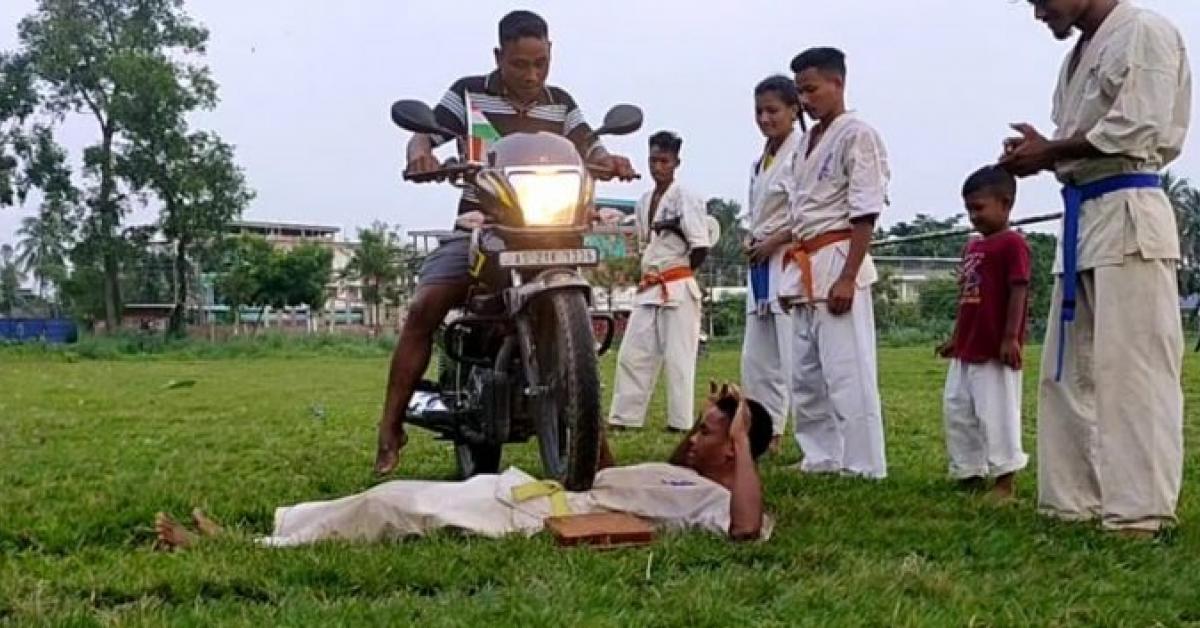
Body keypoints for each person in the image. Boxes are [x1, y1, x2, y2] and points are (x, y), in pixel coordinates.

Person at [375, 10, 635, 474]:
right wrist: (420, 156)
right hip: (482, 226)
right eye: (520, 64)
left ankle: (593, 445)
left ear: (551, 54)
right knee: (426, 306)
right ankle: (390, 427)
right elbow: (426, 133)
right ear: (499, 56)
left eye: (541, 62)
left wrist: (608, 157)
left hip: (552, 229)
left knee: (579, 305)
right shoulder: (468, 94)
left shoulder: (562, 104)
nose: (532, 74)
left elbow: (589, 145)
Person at [999, 0, 1190, 536]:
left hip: (1130, 209)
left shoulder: (1144, 31)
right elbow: (1081, 140)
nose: (1039, 13)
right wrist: (1044, 151)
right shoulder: (1079, 53)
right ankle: (1072, 500)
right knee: (1066, 370)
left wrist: (1049, 151)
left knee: (1134, 371)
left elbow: (1138, 126)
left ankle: (1140, 510)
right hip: (1083, 214)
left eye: (1042, 0)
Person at [154, 384, 775, 549]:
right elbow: (603, 469)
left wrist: (743, 439)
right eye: (697, 427)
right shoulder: (682, 477)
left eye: (708, 432)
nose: (692, 440)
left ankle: (250, 547)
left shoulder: (718, 503)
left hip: (540, 516)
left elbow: (746, 533)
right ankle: (279, 529)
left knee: (395, 507)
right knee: (394, 495)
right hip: (525, 491)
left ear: (737, 448)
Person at [762, 47, 889, 479]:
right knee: (806, 373)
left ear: (838, 83)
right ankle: (821, 455)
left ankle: (864, 463)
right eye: (800, 92)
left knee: (848, 370)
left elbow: (865, 209)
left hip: (837, 256)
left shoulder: (857, 133)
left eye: (812, 89)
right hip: (804, 261)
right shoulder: (808, 142)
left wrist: (849, 276)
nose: (806, 99)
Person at [936, 166, 1031, 500]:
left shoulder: (1013, 244)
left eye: (979, 208)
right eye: (968, 210)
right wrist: (955, 338)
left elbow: (1018, 290)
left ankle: (1004, 479)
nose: (973, 216)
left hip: (994, 349)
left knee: (997, 413)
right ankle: (968, 470)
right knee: (958, 408)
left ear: (1005, 204)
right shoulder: (973, 247)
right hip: (968, 346)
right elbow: (966, 299)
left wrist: (1010, 338)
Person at [607, 131, 711, 432]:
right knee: (633, 352)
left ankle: (679, 422)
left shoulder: (685, 196)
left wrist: (681, 274)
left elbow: (701, 246)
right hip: (650, 285)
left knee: (679, 357)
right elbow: (644, 243)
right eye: (653, 160)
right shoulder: (643, 201)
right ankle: (624, 417)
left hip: (677, 282)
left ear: (676, 162)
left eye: (664, 161)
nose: (657, 167)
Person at [741, 75, 804, 453]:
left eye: (773, 110)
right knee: (757, 358)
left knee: (793, 352)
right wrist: (752, 238)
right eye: (759, 111)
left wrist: (773, 241)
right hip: (761, 265)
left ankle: (815, 441)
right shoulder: (760, 160)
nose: (765, 118)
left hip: (789, 259)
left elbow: (806, 211)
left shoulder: (801, 153)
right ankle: (768, 435)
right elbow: (759, 212)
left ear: (794, 111)